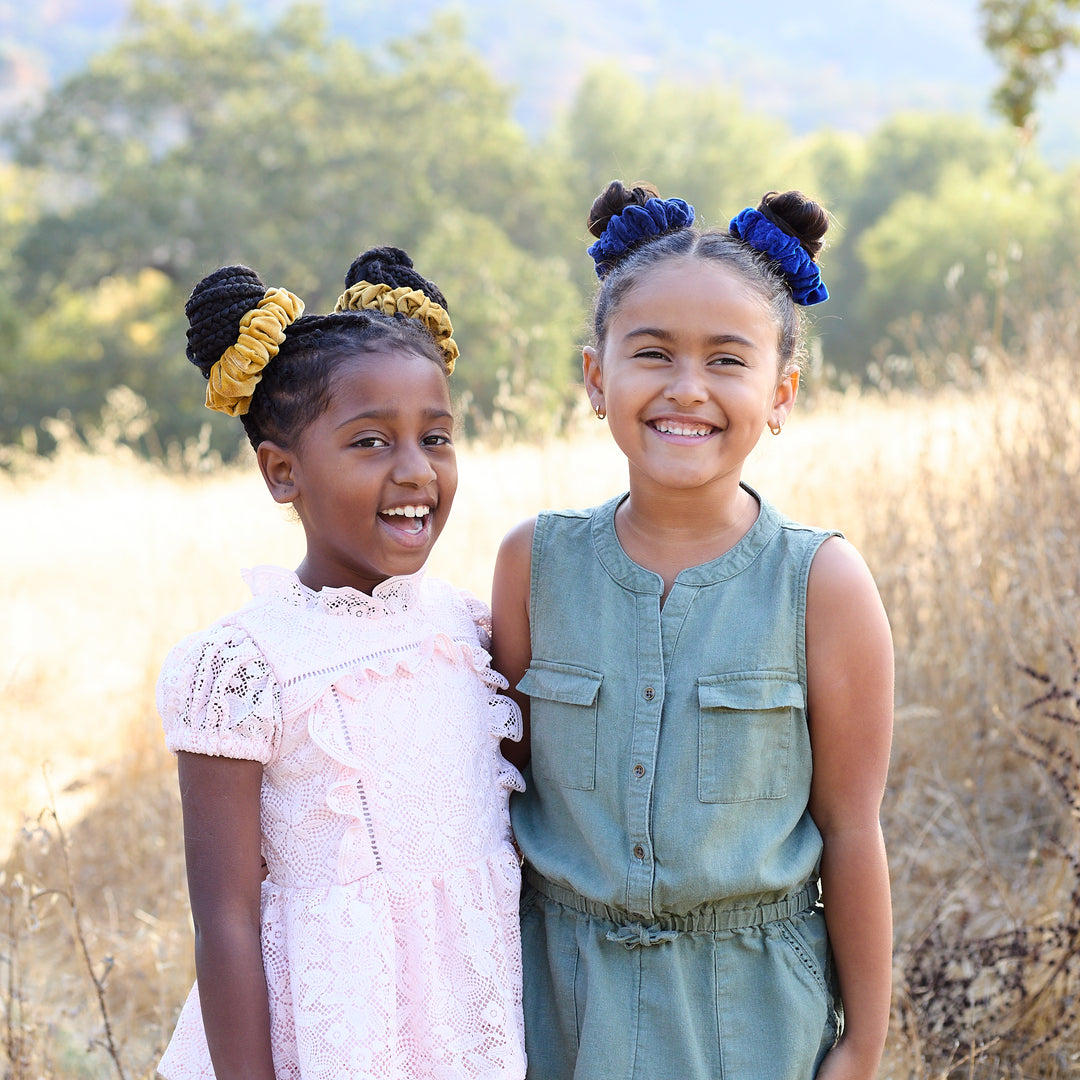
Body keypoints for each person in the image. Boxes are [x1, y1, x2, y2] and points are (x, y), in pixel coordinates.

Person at [491, 182, 893, 1080]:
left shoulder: (821, 583)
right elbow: (498, 802)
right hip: (557, 1006)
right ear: (597, 377)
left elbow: (853, 830)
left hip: (751, 1021)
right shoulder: (533, 564)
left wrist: (862, 1048)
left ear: (781, 392)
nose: (686, 389)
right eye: (652, 353)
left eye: (726, 360)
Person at [156, 247, 526, 1080]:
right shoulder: (245, 667)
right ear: (282, 472)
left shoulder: (469, 628)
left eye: (436, 437)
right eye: (369, 442)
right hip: (330, 1041)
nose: (415, 471)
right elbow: (225, 920)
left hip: (475, 1024)